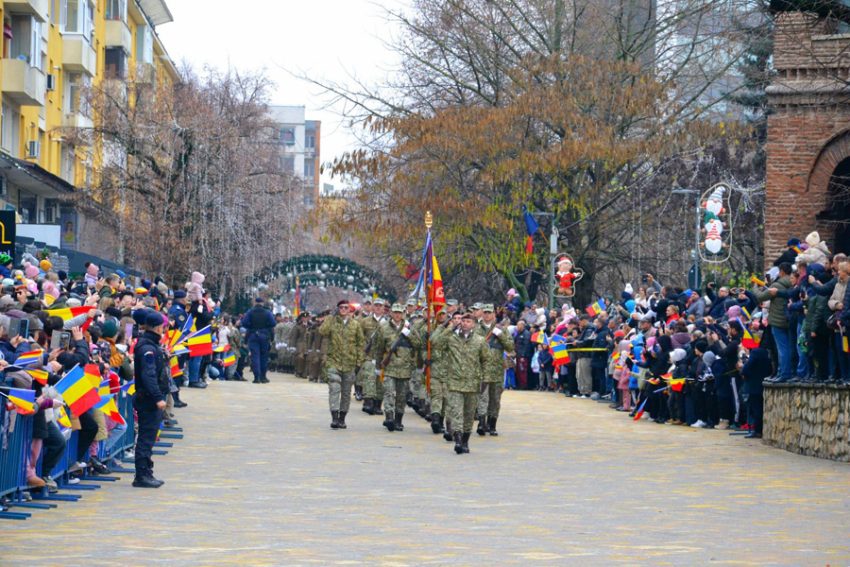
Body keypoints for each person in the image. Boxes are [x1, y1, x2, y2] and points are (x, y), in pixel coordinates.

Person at [432, 311, 488, 454]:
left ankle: (465, 441)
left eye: (468, 321)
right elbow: (435, 342)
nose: (465, 323)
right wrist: (449, 327)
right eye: (463, 321)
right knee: (456, 412)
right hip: (455, 383)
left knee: (468, 415)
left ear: (474, 324)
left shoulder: (480, 341)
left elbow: (485, 361)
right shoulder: (452, 339)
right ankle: (457, 440)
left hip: (472, 384)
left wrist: (484, 381)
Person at [132, 308, 170, 488]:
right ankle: (142, 475)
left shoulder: (151, 345)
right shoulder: (147, 347)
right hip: (148, 399)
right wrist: (157, 398)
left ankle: (146, 471)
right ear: (156, 328)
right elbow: (149, 375)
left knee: (149, 436)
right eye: (162, 327)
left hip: (150, 397)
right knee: (146, 438)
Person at [374, 303, 421, 432]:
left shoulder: (409, 327)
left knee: (401, 396)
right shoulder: (384, 328)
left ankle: (398, 420)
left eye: (400, 313)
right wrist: (378, 365)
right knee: (388, 392)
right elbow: (379, 348)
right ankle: (389, 417)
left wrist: (409, 334)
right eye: (395, 312)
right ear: (391, 313)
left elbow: (418, 344)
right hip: (390, 367)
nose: (397, 315)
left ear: (403, 314)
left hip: (405, 368)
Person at [318, 299, 365, 429]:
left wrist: (359, 362)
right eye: (341, 308)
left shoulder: (355, 325)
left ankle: (342, 418)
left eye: (346, 307)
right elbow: (322, 331)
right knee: (334, 389)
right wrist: (330, 317)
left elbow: (361, 344)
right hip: (334, 361)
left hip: (350, 363)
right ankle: (334, 418)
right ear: (338, 309)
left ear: (350, 310)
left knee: (346, 392)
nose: (343, 310)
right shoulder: (332, 322)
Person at [476, 304, 514, 436]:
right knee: (482, 397)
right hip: (482, 369)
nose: (487, 315)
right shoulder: (476, 329)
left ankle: (492, 425)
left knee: (495, 399)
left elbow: (510, 347)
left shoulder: (501, 329)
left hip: (497, 370)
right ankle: (481, 423)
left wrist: (501, 335)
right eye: (485, 312)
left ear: (493, 314)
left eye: (489, 313)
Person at [240, 297, 276, 384]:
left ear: (255, 303)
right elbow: (273, 323)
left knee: (255, 356)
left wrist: (251, 326)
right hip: (264, 335)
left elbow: (244, 323)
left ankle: (256, 377)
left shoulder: (250, 312)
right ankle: (263, 376)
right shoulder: (267, 312)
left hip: (253, 335)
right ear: (262, 303)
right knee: (264, 356)